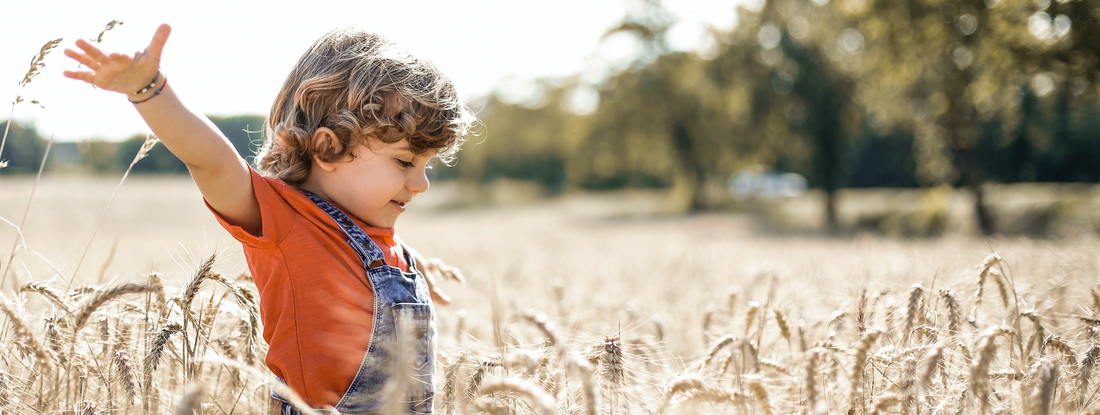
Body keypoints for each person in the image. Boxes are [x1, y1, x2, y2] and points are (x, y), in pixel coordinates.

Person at [63, 24, 476, 414]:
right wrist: (148, 89)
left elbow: (365, 261)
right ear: (328, 148)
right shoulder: (286, 223)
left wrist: (412, 267)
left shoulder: (382, 237)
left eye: (427, 165)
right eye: (405, 161)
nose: (420, 183)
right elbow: (212, 162)